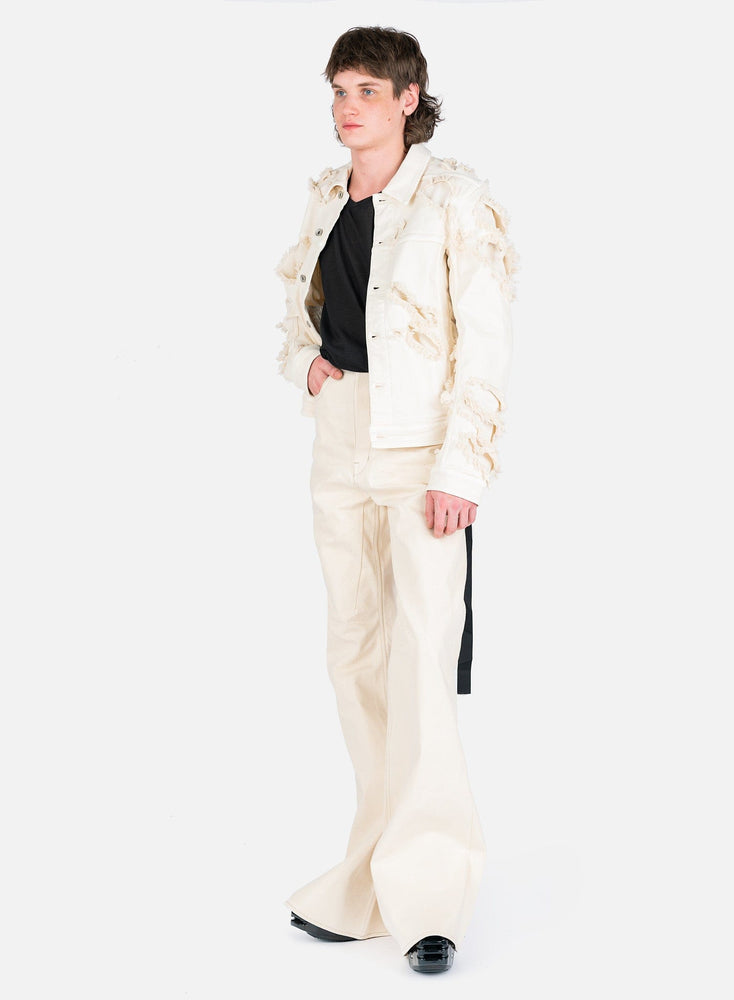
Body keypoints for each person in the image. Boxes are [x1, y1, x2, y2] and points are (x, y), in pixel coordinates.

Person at [275, 25, 516, 974]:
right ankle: (372, 877)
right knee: (355, 661)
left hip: (421, 455)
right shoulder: (325, 196)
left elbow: (485, 344)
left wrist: (463, 469)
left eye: (367, 91)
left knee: (420, 665)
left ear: (409, 98)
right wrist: (306, 365)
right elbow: (295, 305)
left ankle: (431, 897)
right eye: (339, 91)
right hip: (340, 444)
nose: (347, 109)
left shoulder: (455, 199)